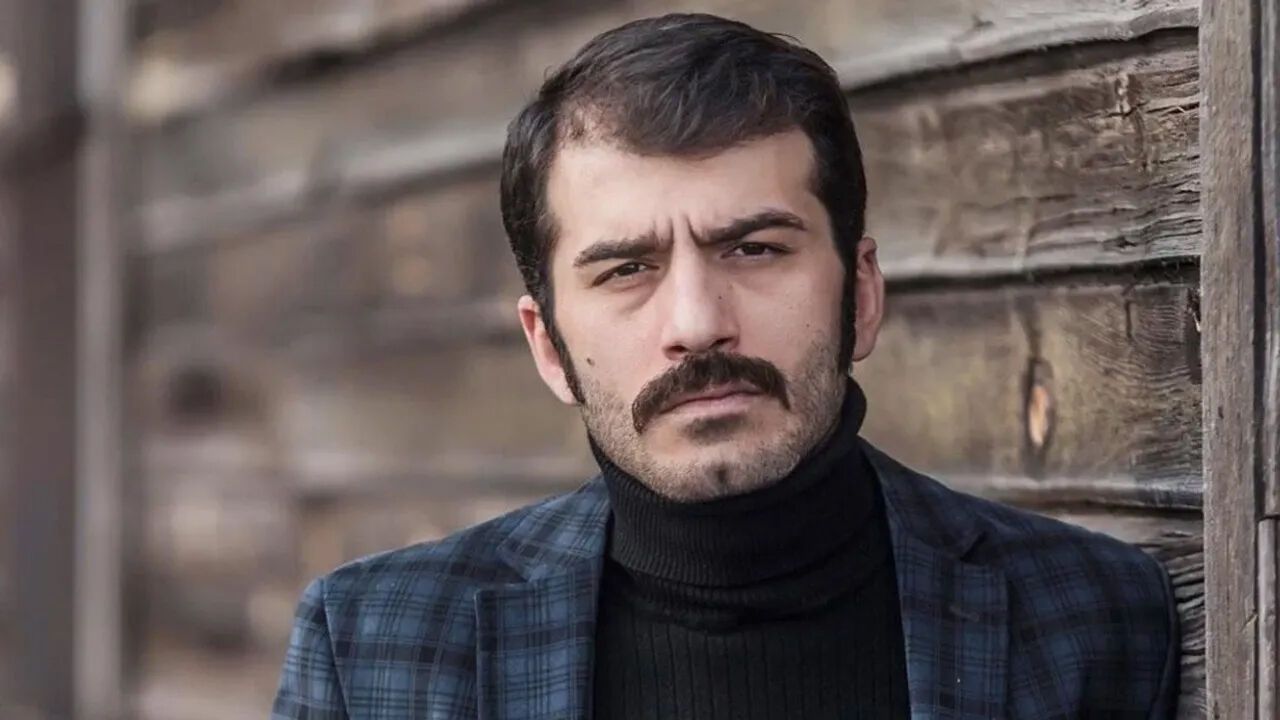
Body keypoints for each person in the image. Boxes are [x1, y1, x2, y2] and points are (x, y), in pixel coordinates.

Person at [272, 13, 1179, 719]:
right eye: (627, 270)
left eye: (754, 249)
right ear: (548, 345)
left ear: (860, 294)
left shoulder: (1088, 618)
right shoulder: (373, 649)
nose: (697, 325)